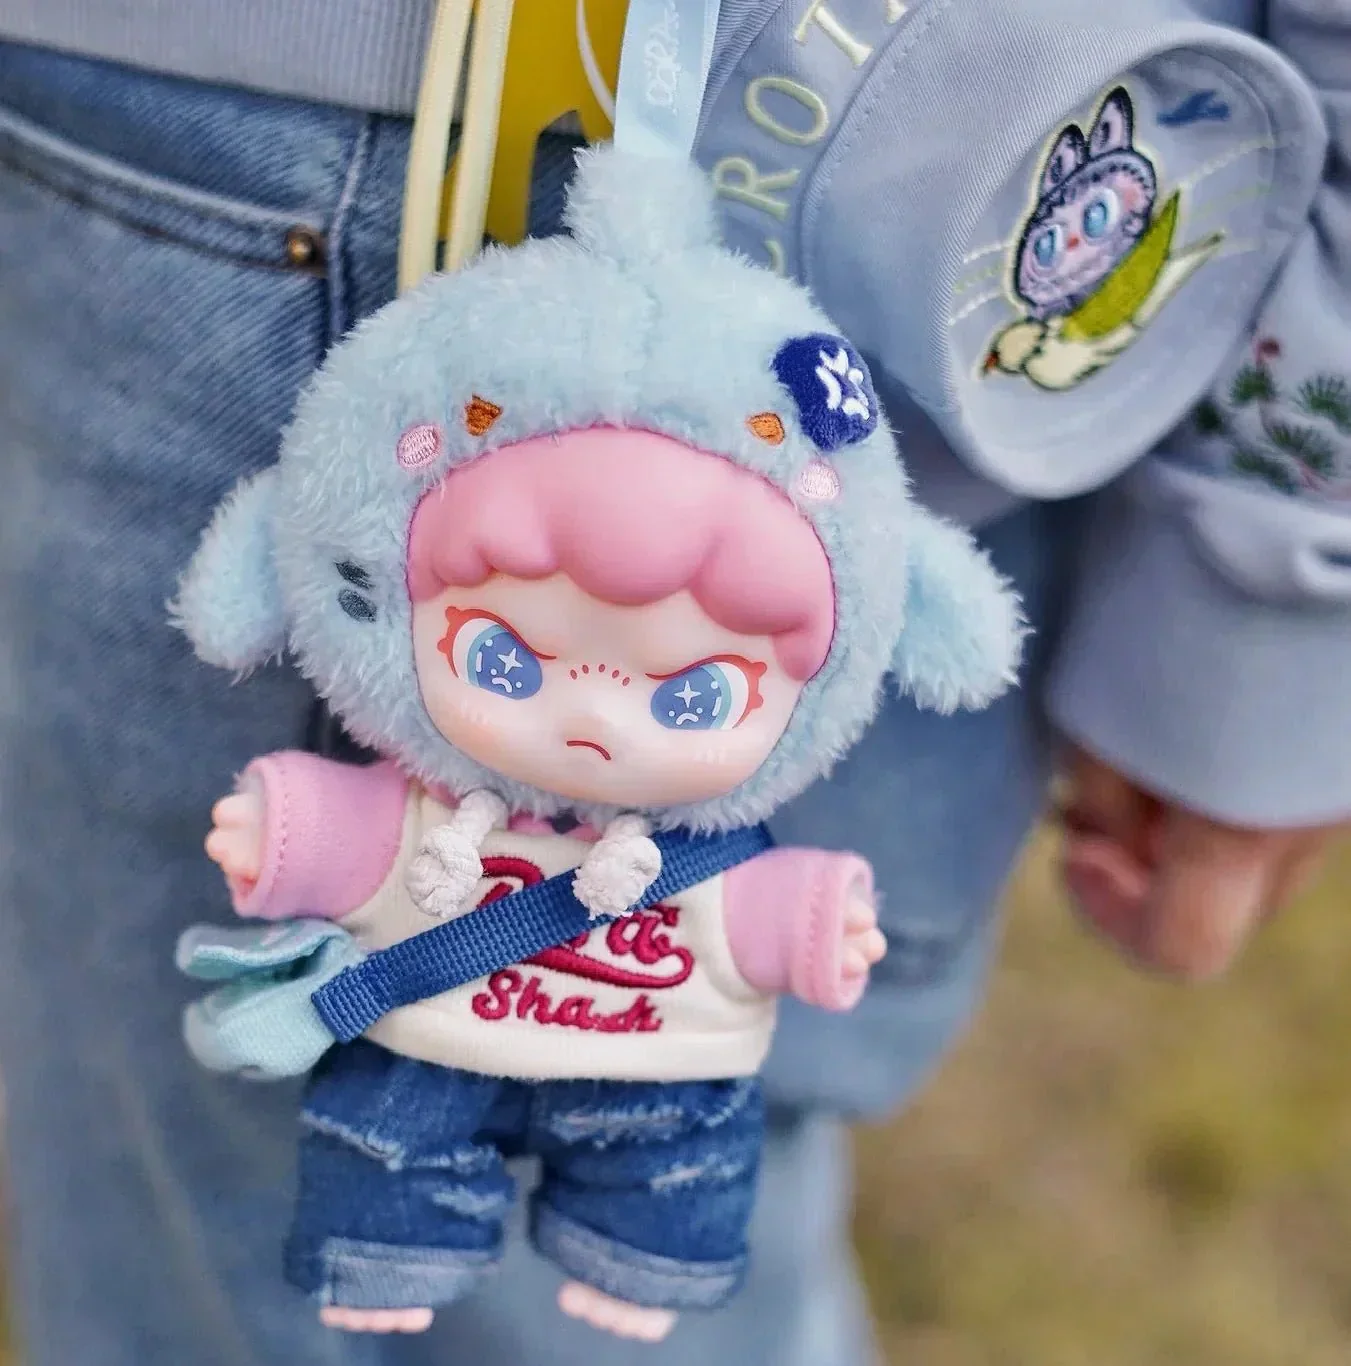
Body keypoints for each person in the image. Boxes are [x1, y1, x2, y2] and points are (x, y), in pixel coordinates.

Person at [0, 3, 1345, 1365]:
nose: (590, 721)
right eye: (510, 659)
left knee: (601, 1284)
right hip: (268, 134)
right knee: (197, 1230)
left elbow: (770, 910)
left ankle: (639, 1249)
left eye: (691, 695)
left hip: (951, 232)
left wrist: (1275, 588)